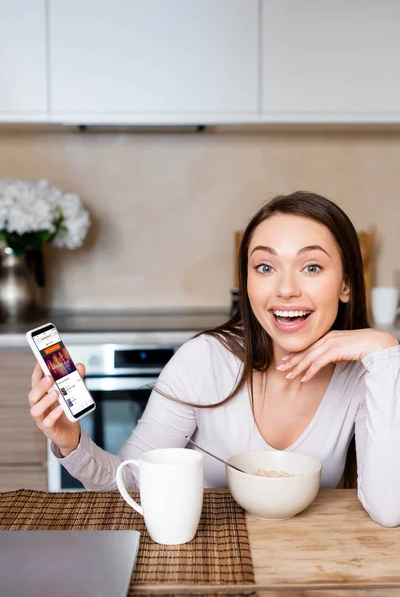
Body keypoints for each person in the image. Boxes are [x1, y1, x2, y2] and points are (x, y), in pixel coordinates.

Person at [28, 191, 400, 527]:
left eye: (312, 267)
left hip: (313, 561)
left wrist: (385, 351)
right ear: (246, 281)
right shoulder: (204, 361)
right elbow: (125, 484)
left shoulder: (368, 374)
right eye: (265, 268)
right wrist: (70, 440)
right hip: (207, 552)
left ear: (347, 284)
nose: (286, 289)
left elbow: (389, 508)